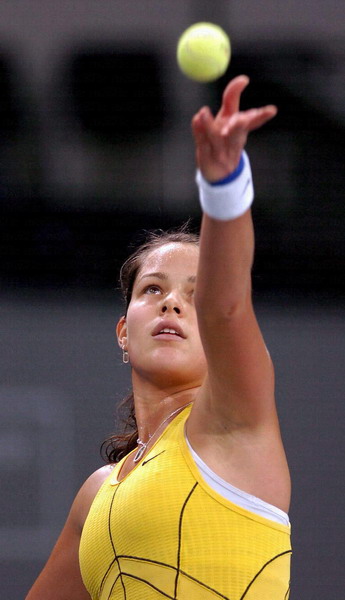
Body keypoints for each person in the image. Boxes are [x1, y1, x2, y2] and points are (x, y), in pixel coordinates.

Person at [26, 75, 292, 600]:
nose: (171, 302)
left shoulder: (233, 424)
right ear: (124, 330)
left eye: (193, 295)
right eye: (153, 289)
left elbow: (228, 304)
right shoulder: (97, 494)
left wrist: (224, 185)